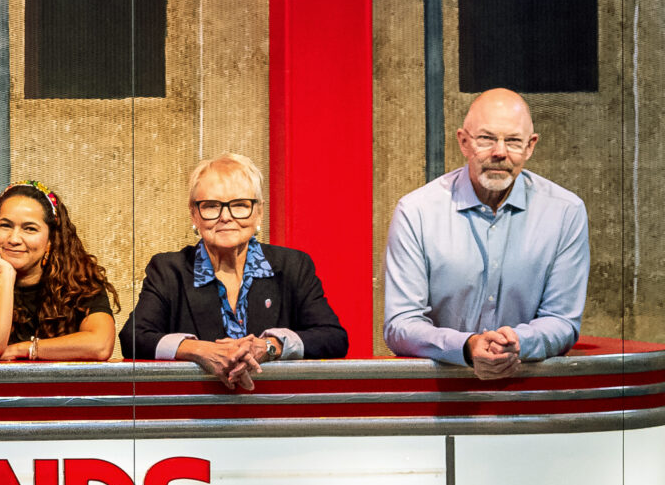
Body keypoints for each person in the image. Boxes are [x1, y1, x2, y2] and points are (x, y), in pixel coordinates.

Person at [384, 87, 589, 379]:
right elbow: (400, 324)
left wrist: (517, 343)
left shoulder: (566, 212)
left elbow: (562, 321)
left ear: (530, 147)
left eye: (514, 141)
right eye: (486, 139)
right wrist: (467, 347)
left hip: (529, 396)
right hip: (439, 398)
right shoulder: (416, 212)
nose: (500, 152)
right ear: (463, 142)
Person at [124, 151, 348, 390]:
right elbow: (133, 338)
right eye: (211, 206)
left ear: (259, 212)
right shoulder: (169, 270)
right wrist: (200, 350)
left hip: (275, 412)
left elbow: (333, 337)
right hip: (193, 414)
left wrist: (270, 346)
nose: (226, 217)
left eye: (240, 205)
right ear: (194, 214)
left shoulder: (293, 266)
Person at [0, 180, 118, 362]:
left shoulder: (80, 286)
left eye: (29, 229)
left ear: (50, 241)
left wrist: (25, 349)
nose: (14, 239)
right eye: (5, 225)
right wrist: (6, 276)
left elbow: (100, 346)